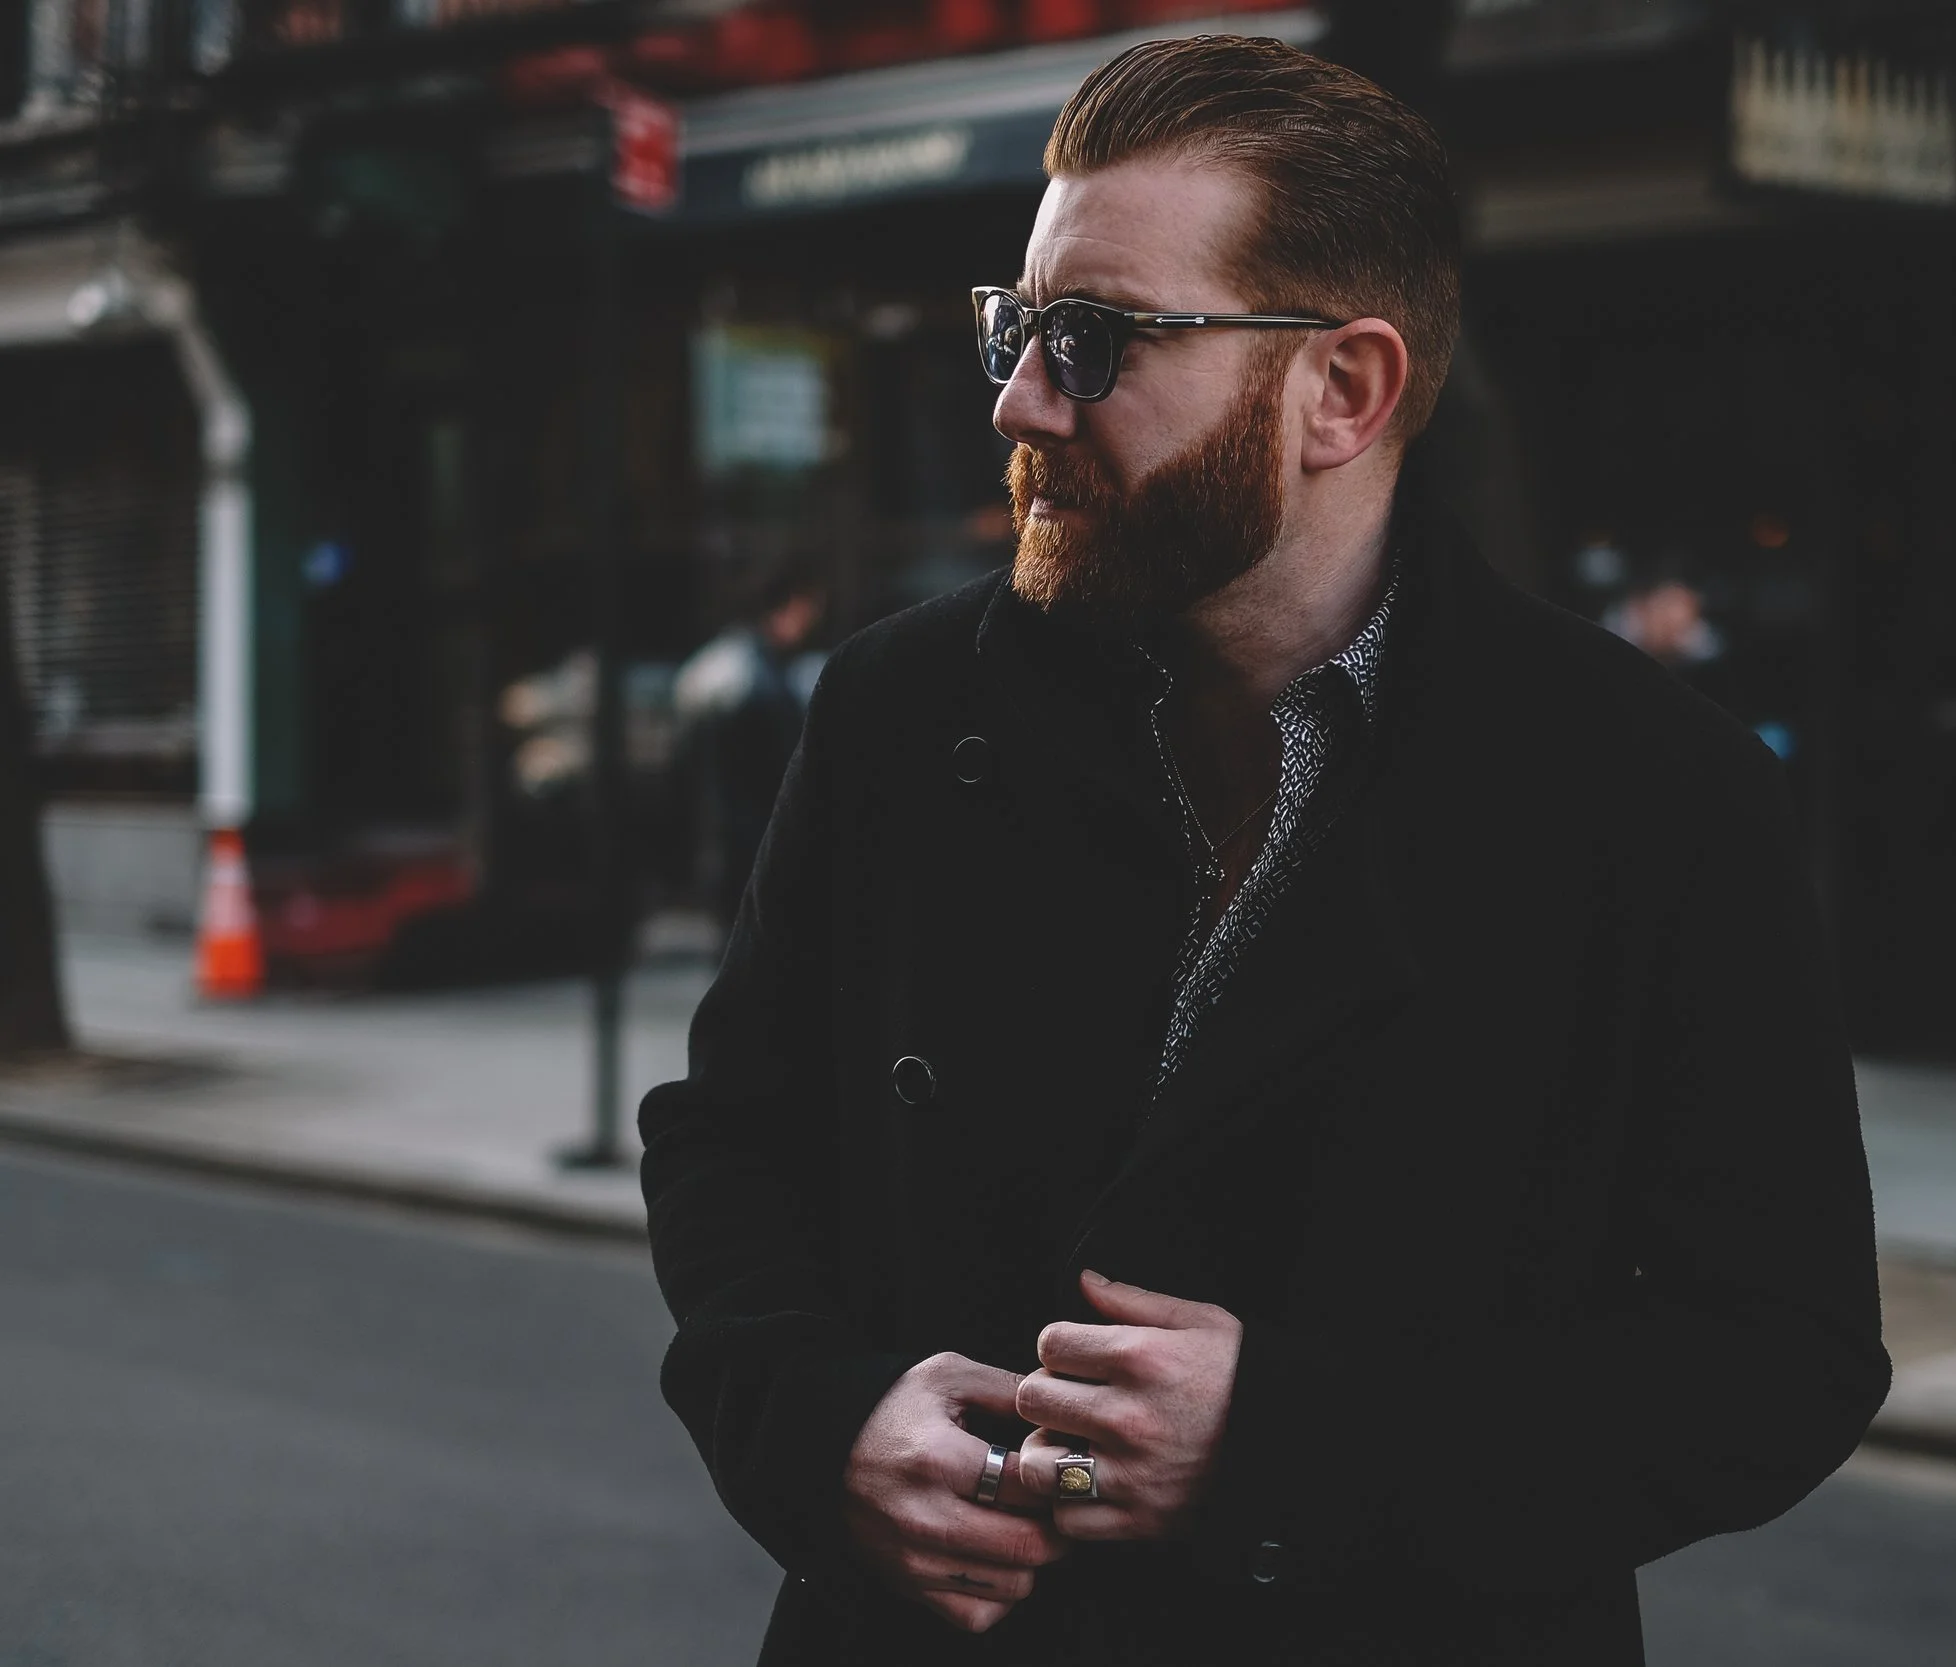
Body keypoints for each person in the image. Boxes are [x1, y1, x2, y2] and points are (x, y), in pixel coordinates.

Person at [639, 35, 1887, 1667]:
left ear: (1344, 390)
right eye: (1015, 326)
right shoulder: (899, 707)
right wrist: (819, 1422)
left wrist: (1291, 1444)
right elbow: (731, 1137)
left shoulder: (1651, 790)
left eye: (1091, 340)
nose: (1018, 398)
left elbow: (1774, 1355)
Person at [672, 563, 826, 932]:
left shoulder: (721, 669)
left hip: (732, 841)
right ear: (787, 607)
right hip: (751, 841)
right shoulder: (752, 679)